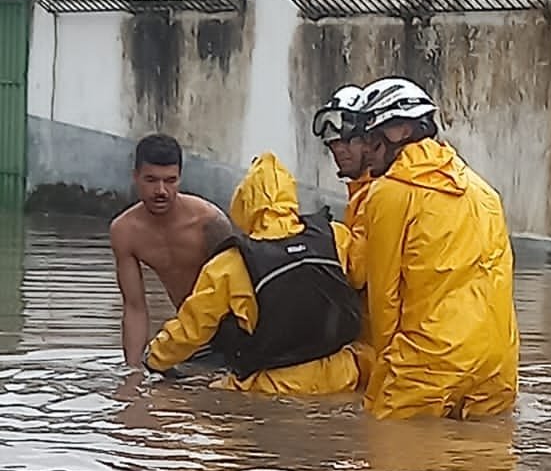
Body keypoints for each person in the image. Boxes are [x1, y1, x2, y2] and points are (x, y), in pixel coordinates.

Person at [352, 77, 519, 421]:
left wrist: (382, 379)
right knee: (484, 465)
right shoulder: (483, 190)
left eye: (369, 138)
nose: (364, 150)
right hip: (497, 365)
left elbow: (384, 297)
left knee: (387, 462)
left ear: (399, 132)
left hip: (427, 361)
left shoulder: (389, 192)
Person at [144, 152, 369, 396]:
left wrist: (154, 359)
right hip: (342, 376)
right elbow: (362, 277)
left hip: (270, 387)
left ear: (244, 201)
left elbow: (192, 329)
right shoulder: (336, 236)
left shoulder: (231, 263)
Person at [110, 134, 234, 368]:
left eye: (170, 180)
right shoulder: (125, 231)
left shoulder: (208, 221)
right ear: (135, 176)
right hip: (188, 335)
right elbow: (134, 307)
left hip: (231, 331)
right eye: (151, 180)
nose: (161, 191)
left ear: (180, 178)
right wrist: (133, 370)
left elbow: (238, 288)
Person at [312, 85, 373, 230]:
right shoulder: (360, 195)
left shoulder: (386, 191)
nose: (339, 150)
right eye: (332, 144)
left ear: (369, 138)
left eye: (347, 141)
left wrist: (331, 237)